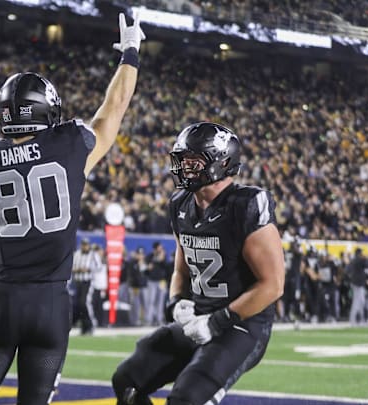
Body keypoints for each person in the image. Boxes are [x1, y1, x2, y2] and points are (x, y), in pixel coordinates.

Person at [0, 12, 145, 404]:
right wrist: (131, 53)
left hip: (1, 300)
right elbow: (115, 105)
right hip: (51, 305)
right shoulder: (70, 145)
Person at [112, 122, 285, 404]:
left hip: (241, 324)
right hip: (198, 318)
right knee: (127, 380)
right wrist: (176, 301)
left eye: (193, 162)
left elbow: (273, 285)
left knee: (187, 398)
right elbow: (182, 266)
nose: (184, 168)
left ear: (221, 162)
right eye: (182, 161)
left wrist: (218, 322)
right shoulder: (181, 203)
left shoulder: (246, 205)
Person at [71, 237, 101, 335]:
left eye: (86, 244)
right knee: (79, 304)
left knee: (85, 303)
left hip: (88, 282)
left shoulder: (93, 255)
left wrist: (88, 269)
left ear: (89, 245)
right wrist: (77, 269)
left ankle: (91, 324)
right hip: (78, 282)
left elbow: (99, 267)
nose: (84, 246)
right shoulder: (77, 254)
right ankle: (84, 327)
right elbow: (72, 267)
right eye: (83, 244)